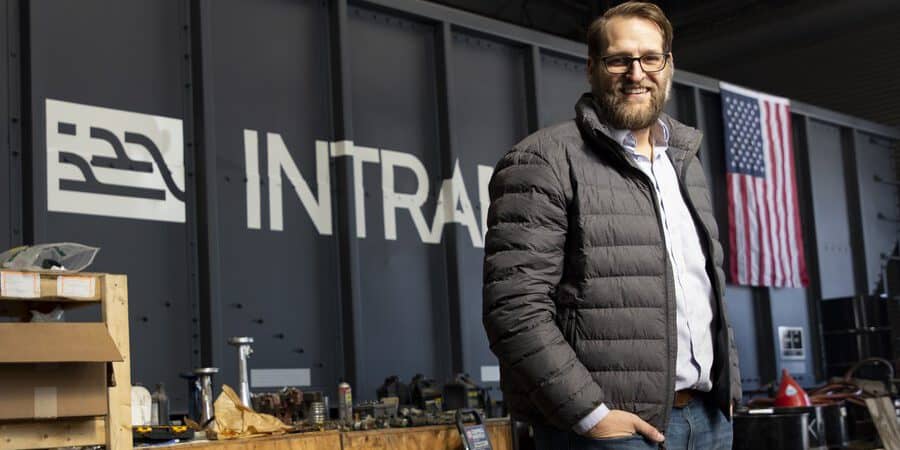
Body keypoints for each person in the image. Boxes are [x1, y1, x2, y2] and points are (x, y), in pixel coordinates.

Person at [482, 2, 741, 449]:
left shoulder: (684, 163)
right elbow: (514, 309)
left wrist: (727, 390)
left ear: (668, 65)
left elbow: (703, 290)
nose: (636, 73)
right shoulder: (543, 159)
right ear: (592, 69)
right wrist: (589, 415)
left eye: (650, 58)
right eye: (619, 59)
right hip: (616, 433)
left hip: (710, 423)